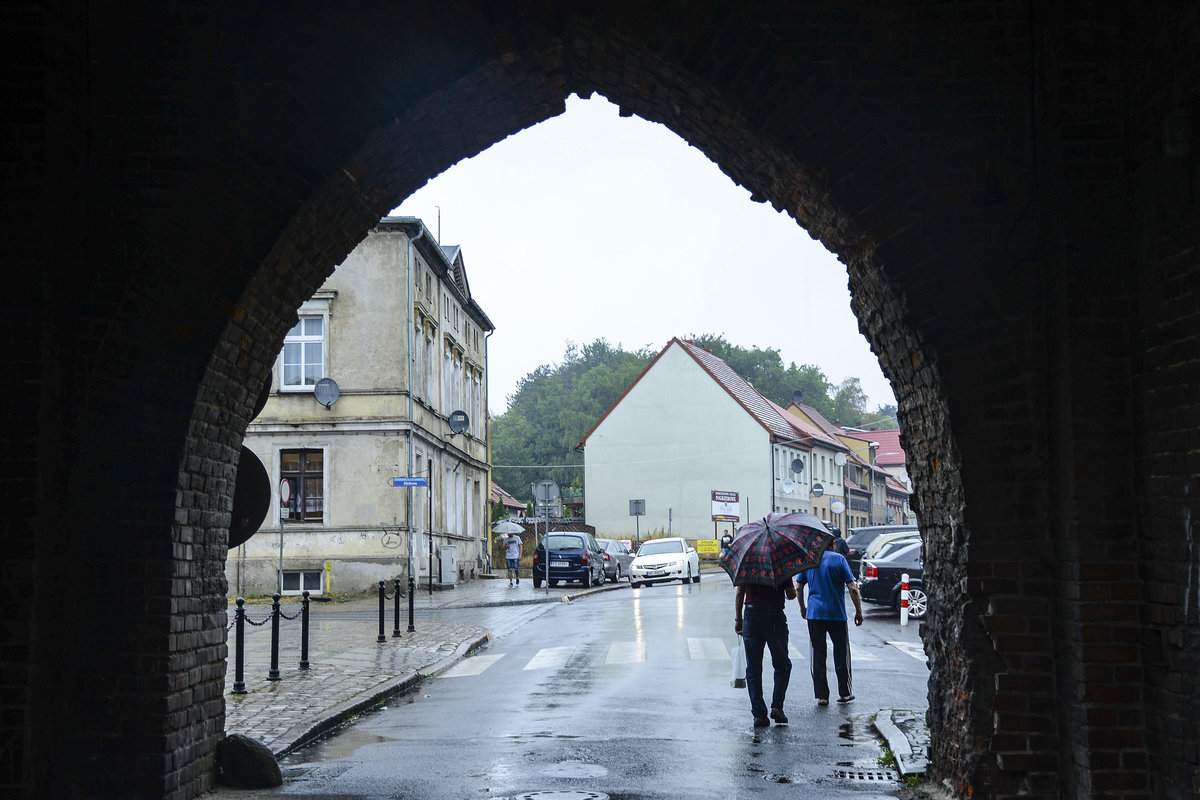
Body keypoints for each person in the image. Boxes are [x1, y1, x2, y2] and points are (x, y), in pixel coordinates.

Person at [795, 538, 864, 705]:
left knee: (818, 654)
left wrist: (803, 608)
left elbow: (798, 587)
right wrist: (858, 611)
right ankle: (844, 693)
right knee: (841, 652)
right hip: (836, 614)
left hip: (814, 614)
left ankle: (822, 696)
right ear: (833, 544)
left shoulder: (809, 560)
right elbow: (853, 588)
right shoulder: (839, 559)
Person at [734, 579, 797, 727]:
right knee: (782, 664)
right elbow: (791, 594)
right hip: (774, 616)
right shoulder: (780, 565)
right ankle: (777, 706)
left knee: (753, 668)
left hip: (751, 615)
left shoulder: (748, 565)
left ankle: (759, 714)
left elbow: (739, 593)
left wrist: (738, 619)